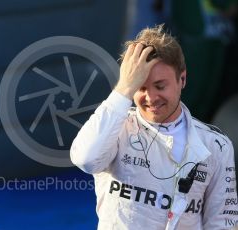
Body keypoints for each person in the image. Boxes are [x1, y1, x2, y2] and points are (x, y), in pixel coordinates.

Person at [70, 24, 238, 229]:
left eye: (160, 86)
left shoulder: (216, 145)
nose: (150, 98)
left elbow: (223, 222)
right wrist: (123, 89)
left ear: (182, 79)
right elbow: (86, 159)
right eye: (140, 87)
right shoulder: (114, 129)